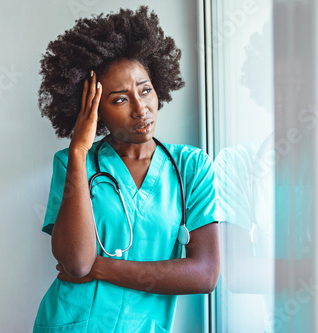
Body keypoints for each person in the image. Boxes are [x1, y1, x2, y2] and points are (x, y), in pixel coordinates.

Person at [34, 6, 220, 332]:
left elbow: (204, 275)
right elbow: (77, 264)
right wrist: (79, 150)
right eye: (120, 100)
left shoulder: (191, 167)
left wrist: (102, 268)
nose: (140, 109)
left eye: (145, 90)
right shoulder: (72, 164)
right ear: (93, 111)